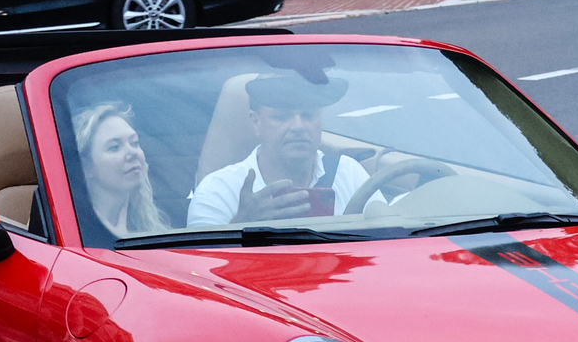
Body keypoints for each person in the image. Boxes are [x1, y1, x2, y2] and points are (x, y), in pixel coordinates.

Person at [186, 71, 374, 227]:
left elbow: (389, 229)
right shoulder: (218, 191)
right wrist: (242, 223)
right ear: (256, 122)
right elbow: (202, 263)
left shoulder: (349, 173)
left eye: (308, 115)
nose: (299, 126)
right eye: (282, 117)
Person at [74, 102, 170, 237]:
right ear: (86, 166)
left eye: (134, 143)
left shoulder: (148, 227)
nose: (133, 152)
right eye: (114, 147)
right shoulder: (70, 231)